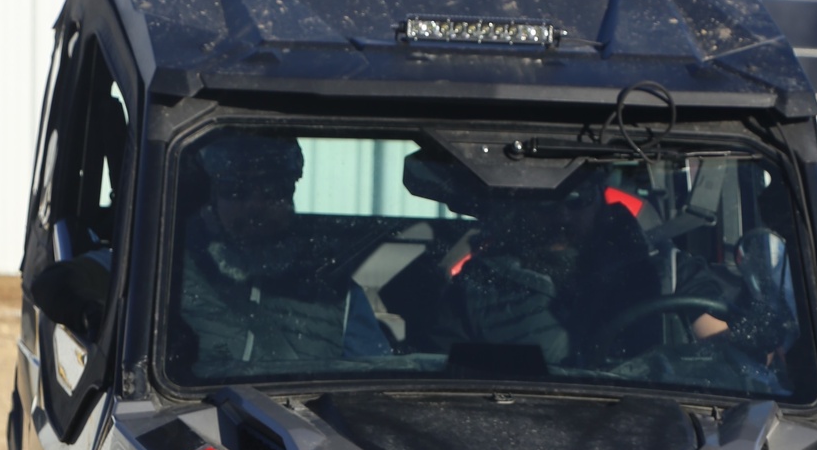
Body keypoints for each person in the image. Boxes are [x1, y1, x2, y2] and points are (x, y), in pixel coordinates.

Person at [432, 177, 730, 368]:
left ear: (600, 201)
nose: (562, 216)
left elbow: (729, 359)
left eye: (577, 199)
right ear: (521, 209)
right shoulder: (477, 289)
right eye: (545, 202)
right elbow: (440, 383)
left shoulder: (668, 272)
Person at [170, 132, 389, 380]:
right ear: (212, 200)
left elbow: (375, 382)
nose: (255, 205)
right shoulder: (171, 283)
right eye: (236, 192)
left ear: (290, 195)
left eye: (271, 191)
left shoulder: (336, 295)